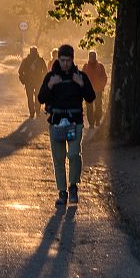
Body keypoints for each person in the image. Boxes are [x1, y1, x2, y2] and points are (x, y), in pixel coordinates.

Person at [37, 44, 96, 207]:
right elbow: (41, 98)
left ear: (72, 60)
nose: (65, 64)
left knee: (74, 155)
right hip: (56, 123)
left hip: (75, 123)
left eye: (68, 61)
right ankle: (62, 192)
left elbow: (91, 97)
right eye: (62, 60)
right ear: (58, 59)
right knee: (59, 159)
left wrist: (81, 85)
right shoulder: (51, 77)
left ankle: (73, 186)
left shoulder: (80, 76)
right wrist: (50, 85)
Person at [18, 45, 47, 119]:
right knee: (37, 97)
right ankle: (36, 112)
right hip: (37, 82)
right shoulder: (40, 60)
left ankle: (32, 113)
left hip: (29, 82)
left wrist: (23, 80)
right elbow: (45, 71)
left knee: (30, 98)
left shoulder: (26, 60)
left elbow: (20, 71)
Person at [83, 51, 108, 128]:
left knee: (98, 106)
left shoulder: (100, 66)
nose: (92, 58)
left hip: (98, 90)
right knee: (89, 108)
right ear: (89, 57)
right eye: (91, 56)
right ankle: (91, 124)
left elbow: (104, 77)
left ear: (96, 57)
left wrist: (101, 86)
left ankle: (97, 120)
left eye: (93, 56)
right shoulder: (85, 66)